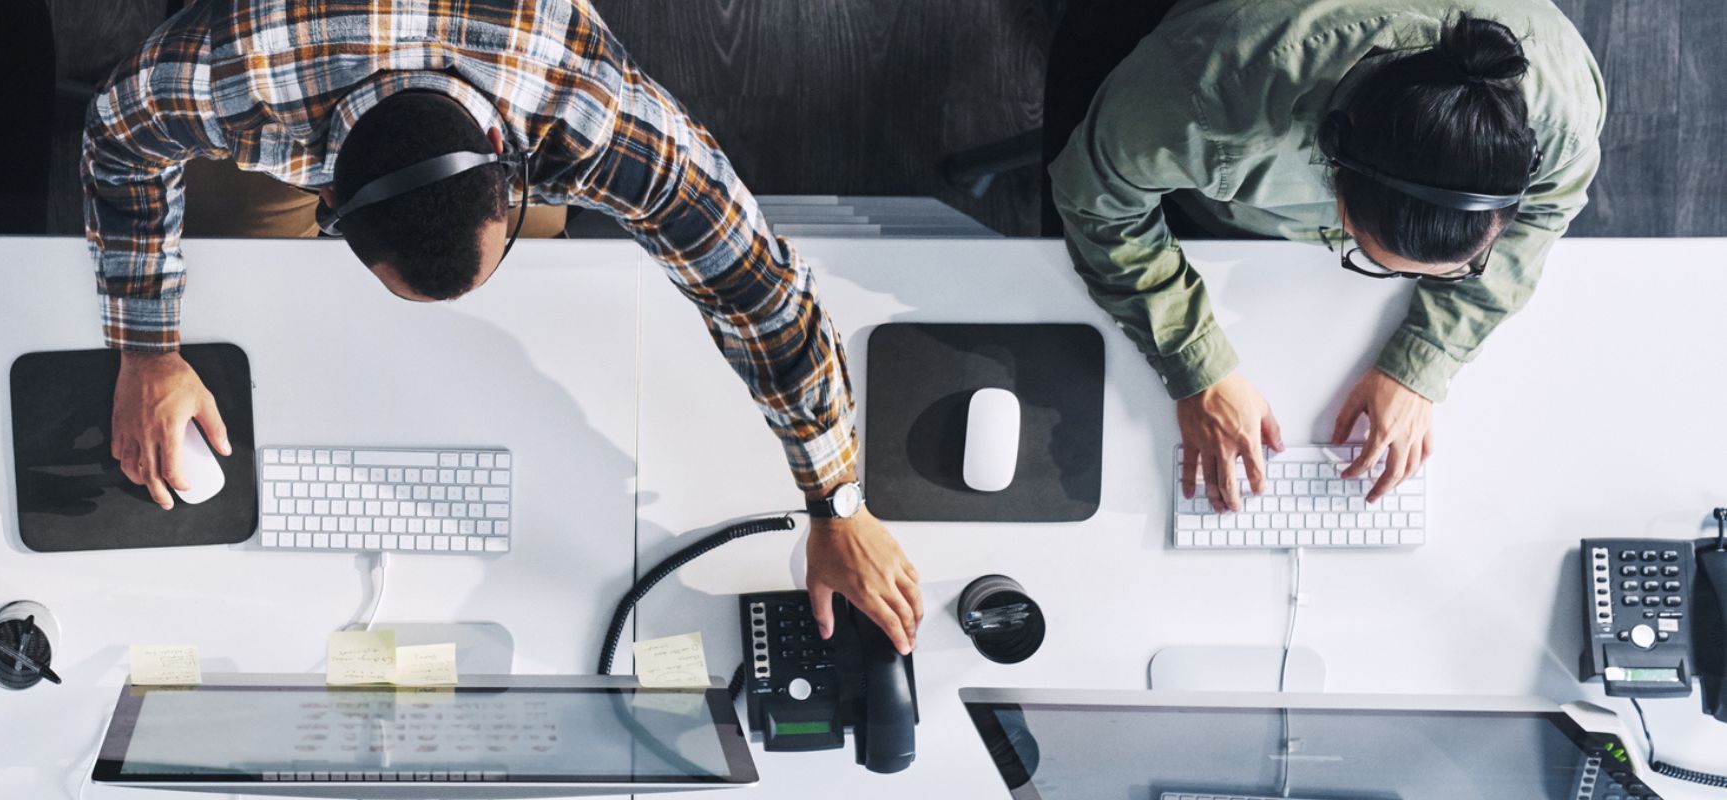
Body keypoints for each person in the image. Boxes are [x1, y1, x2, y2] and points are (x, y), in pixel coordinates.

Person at [81, 0, 923, 651]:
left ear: (507, 158)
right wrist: (148, 348)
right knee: (246, 271)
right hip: (303, 64)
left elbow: (761, 292)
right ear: (325, 201)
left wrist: (837, 504)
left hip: (491, 66)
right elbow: (118, 137)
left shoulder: (584, 105)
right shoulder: (234, 71)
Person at [1049, 2, 1602, 513]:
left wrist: (1424, 358)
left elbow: (1546, 214)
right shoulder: (1202, 100)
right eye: (1372, 256)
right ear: (1333, 171)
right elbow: (1099, 205)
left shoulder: (1564, 115)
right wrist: (1197, 365)